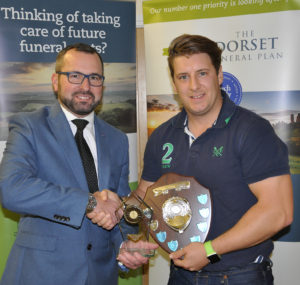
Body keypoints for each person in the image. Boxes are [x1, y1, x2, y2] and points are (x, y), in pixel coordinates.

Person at [135, 34, 294, 285]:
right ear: (174, 83)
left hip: (239, 275)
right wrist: (116, 207)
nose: (194, 86)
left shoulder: (252, 130)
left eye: (202, 73)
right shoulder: (162, 136)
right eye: (183, 77)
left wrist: (210, 250)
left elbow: (279, 212)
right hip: (181, 275)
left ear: (219, 75)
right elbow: (144, 198)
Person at [0, 43, 157, 285]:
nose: (85, 86)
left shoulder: (117, 139)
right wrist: (89, 202)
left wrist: (125, 246)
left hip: (100, 276)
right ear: (56, 81)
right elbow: (12, 190)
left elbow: (119, 205)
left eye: (94, 78)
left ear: (102, 85)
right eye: (75, 76)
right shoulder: (29, 126)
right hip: (40, 274)